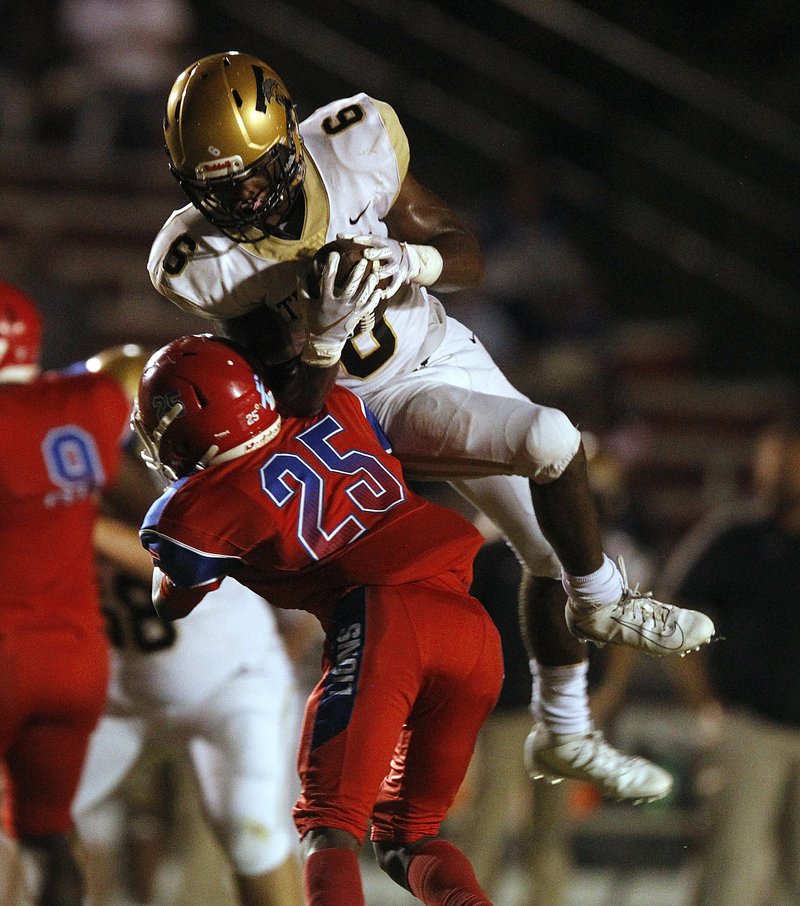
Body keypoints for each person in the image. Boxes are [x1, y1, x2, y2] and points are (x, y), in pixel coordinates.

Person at [147, 50, 714, 802]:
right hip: (371, 407)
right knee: (550, 439)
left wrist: (408, 259)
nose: (244, 197)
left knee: (548, 546)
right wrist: (321, 336)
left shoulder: (352, 142)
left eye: (252, 171)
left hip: (442, 349)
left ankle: (566, 730)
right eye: (218, 187)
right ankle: (605, 601)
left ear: (287, 139)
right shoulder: (200, 259)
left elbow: (464, 249)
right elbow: (298, 409)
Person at [131, 329, 504, 906]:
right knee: (407, 839)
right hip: (472, 627)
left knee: (328, 824)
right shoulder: (336, 402)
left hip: (385, 619)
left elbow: (173, 599)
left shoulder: (193, 509)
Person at [69, 344, 307, 906]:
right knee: (23, 812)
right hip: (122, 694)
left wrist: (71, 523)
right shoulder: (79, 482)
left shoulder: (195, 482)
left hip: (230, 683)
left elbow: (168, 554)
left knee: (252, 834)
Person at [0, 282, 131, 906]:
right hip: (79, 657)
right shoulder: (94, 401)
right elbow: (119, 371)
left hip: (5, 650)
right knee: (48, 836)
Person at [659, 410, 800, 906]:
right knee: (731, 868)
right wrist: (705, 703)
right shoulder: (737, 537)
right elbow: (674, 609)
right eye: (777, 457)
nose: (785, 469)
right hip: (749, 725)